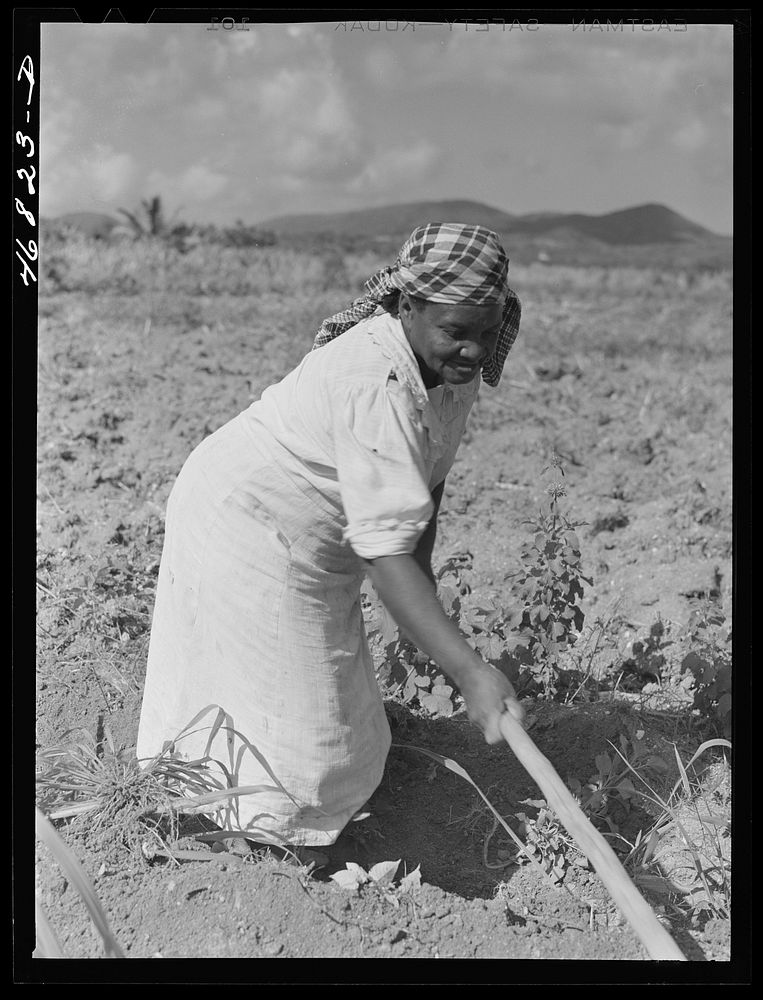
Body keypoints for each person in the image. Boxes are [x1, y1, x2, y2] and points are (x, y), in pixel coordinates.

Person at [136, 222, 525, 850]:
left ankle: (303, 814)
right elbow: (385, 553)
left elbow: (425, 483)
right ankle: (251, 837)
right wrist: (469, 671)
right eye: (456, 331)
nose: (475, 350)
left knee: (326, 704)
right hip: (249, 520)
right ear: (407, 306)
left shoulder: (451, 370)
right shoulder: (375, 380)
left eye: (485, 332)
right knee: (295, 726)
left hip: (318, 529)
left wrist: (427, 605)